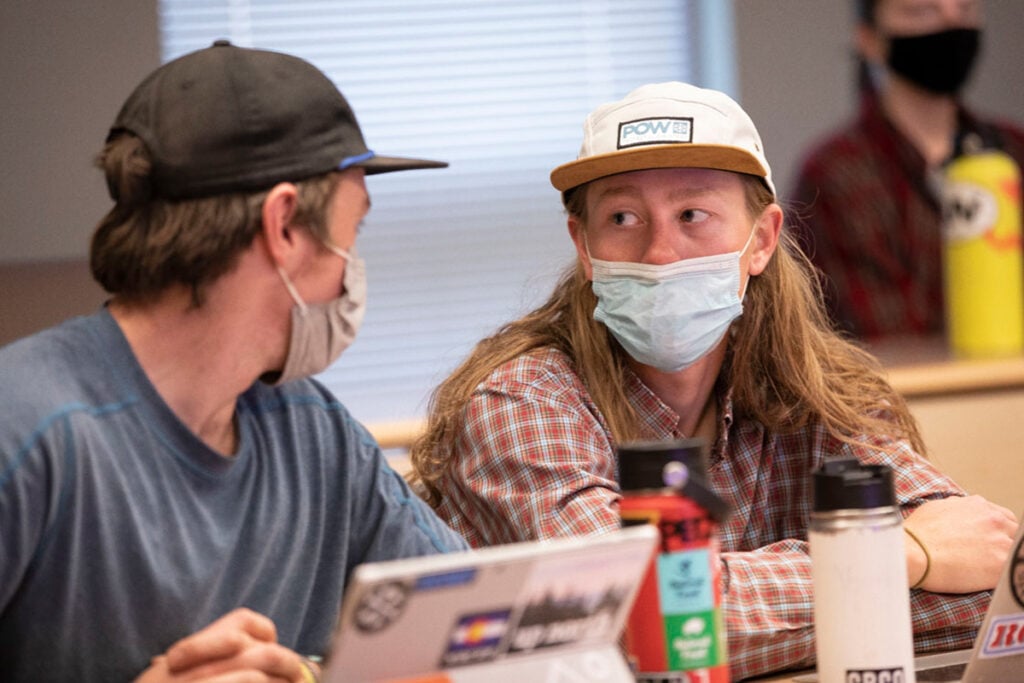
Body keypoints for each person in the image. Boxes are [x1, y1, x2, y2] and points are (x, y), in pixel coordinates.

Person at [408, 81, 1019, 680]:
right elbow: (636, 620)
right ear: (586, 247)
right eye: (622, 217)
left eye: (693, 214)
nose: (659, 253)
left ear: (761, 241)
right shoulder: (520, 404)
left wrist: (733, 612)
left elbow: (987, 575)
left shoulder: (821, 390)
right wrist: (896, 557)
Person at [0, 41, 467, 682]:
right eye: (353, 232)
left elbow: (470, 631)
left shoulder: (313, 432)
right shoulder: (28, 433)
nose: (352, 274)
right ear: (282, 226)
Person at [791, 0, 1024, 340]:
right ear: (869, 39)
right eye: (922, 12)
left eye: (965, 10)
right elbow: (882, 335)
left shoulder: (1013, 150)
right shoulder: (835, 175)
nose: (950, 25)